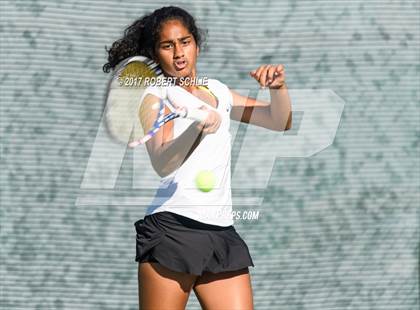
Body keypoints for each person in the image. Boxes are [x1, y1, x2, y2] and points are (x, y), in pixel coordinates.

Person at [103, 6, 292, 310]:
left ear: (196, 46)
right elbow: (163, 161)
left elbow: (278, 120)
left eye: (185, 42)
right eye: (167, 45)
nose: (178, 53)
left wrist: (279, 89)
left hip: (221, 234)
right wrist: (197, 129)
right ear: (156, 53)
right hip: (172, 231)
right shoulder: (154, 96)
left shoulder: (218, 91)